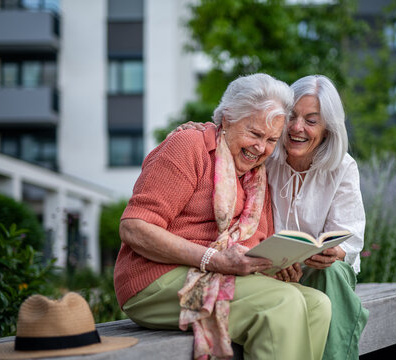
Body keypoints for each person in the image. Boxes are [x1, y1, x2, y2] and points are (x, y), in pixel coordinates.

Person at [113, 73, 332, 360]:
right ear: (227, 118)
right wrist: (213, 259)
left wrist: (277, 266)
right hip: (155, 281)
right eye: (254, 134)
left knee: (317, 304)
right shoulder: (190, 147)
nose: (261, 148)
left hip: (217, 276)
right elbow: (134, 228)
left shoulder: (257, 178)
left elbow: (252, 247)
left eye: (271, 140)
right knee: (282, 302)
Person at [176, 74, 369, 360]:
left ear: (328, 129)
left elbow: (350, 236)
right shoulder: (264, 152)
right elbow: (232, 129)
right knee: (289, 299)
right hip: (267, 267)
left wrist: (337, 251)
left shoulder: (342, 168)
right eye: (292, 116)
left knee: (331, 274)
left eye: (311, 121)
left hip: (321, 271)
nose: (297, 127)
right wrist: (201, 128)